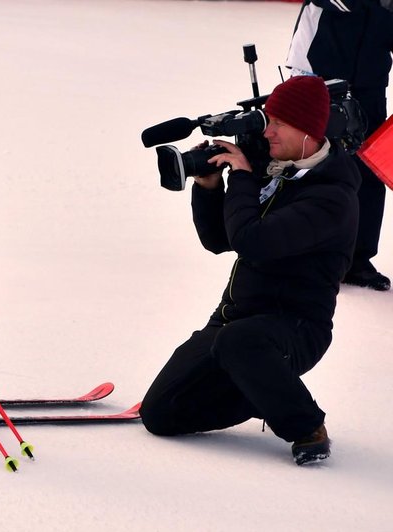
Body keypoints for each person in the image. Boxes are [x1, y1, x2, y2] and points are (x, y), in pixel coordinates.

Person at [140, 76, 361, 465]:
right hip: (233, 318)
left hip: (294, 328)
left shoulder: (332, 197)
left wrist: (241, 177)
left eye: (278, 124)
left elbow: (252, 241)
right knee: (159, 413)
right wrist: (209, 187)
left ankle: (305, 425)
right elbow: (219, 239)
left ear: (309, 130)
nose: (268, 132)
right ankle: (262, 389)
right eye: (267, 120)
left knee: (241, 342)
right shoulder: (273, 166)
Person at [286, 0, 393, 290]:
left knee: (368, 170)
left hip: (370, 78)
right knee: (319, 166)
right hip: (319, 71)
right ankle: (311, 255)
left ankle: (357, 259)